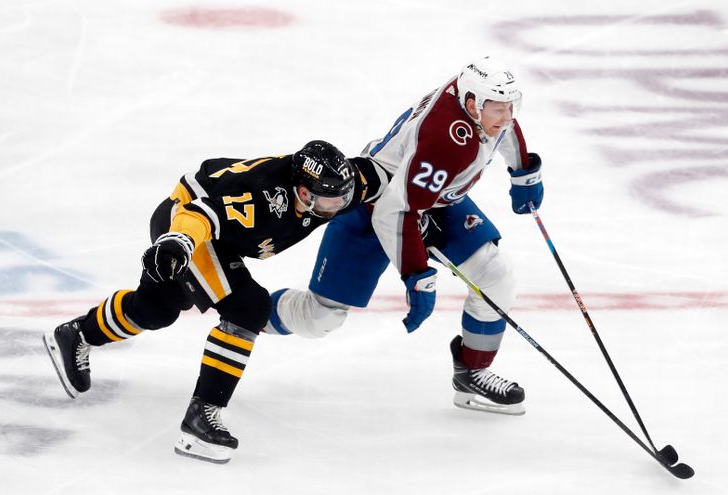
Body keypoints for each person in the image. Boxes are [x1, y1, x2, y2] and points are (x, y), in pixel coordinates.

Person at [43, 140, 385, 463]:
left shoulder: (342, 187)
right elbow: (201, 215)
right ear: (303, 192)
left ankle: (78, 333)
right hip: (186, 223)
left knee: (156, 309)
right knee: (248, 307)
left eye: (344, 198)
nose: (339, 207)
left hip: (219, 237)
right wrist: (178, 243)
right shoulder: (262, 196)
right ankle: (201, 416)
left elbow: (388, 176)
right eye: (331, 202)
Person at [266, 57, 544, 415]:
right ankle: (250, 316)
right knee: (321, 317)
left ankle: (472, 372)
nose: (507, 117)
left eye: (511, 107)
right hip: (374, 207)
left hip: (428, 199)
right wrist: (416, 276)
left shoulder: (480, 102)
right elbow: (394, 212)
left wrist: (523, 170)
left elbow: (505, 128)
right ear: (473, 105)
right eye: (498, 109)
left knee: (496, 274)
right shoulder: (448, 142)